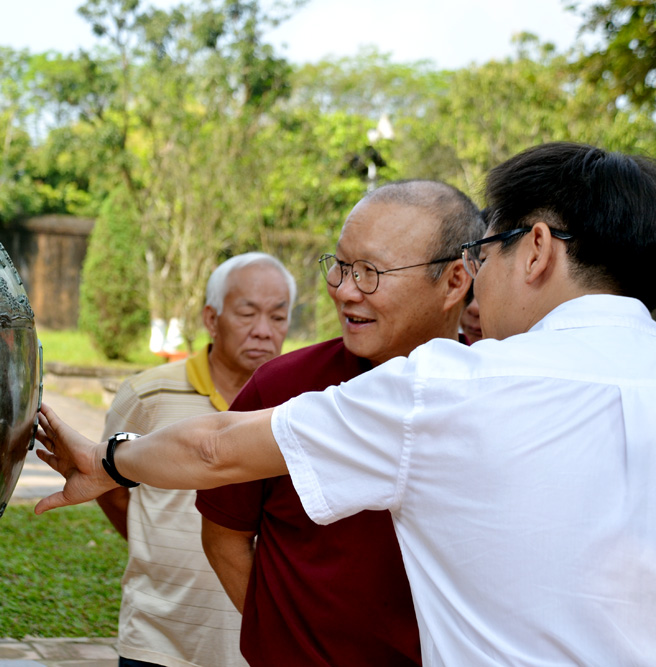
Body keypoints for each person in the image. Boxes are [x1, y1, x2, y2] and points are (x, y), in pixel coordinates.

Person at [32, 142, 656, 665]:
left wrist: (108, 461)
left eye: (488, 255)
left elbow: (214, 448)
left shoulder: (452, 389)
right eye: (341, 267)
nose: (346, 291)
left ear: (537, 249)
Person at [196, 180, 483, 666]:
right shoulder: (283, 386)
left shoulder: (497, 397)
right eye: (342, 266)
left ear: (455, 281)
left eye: (371, 272)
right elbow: (223, 532)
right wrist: (284, 646)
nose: (345, 290)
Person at [96, 252, 296, 667]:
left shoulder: (296, 407)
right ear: (211, 319)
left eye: (278, 317)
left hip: (256, 646)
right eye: (247, 314)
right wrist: (155, 545)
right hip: (159, 640)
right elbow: (108, 485)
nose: (263, 331)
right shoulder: (148, 395)